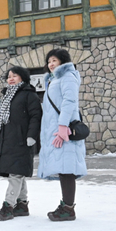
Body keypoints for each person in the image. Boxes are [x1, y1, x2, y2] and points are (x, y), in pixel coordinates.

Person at [37, 49, 87, 221]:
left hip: (63, 130)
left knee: (67, 169)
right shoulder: (54, 80)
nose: (51, 64)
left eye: (54, 60)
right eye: (49, 61)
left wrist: (63, 126)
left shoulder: (67, 77)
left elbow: (69, 102)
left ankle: (68, 208)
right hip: (57, 130)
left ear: (63, 62)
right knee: (63, 168)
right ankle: (66, 204)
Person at [0, 66, 42, 221]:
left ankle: (8, 205)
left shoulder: (29, 94)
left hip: (21, 140)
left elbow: (36, 116)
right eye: (9, 76)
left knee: (15, 174)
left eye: (15, 76)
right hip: (8, 140)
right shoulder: (7, 95)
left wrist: (32, 136)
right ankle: (22, 204)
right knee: (17, 173)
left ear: (23, 77)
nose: (11, 78)